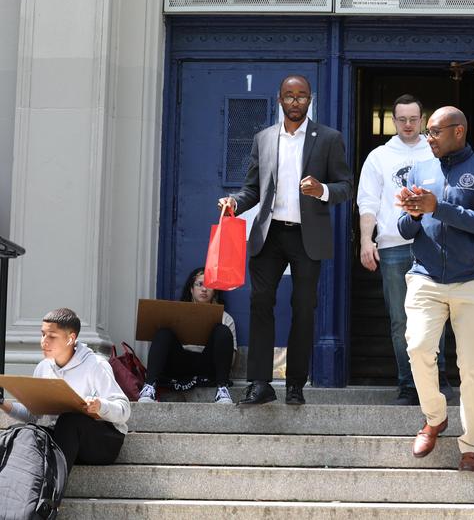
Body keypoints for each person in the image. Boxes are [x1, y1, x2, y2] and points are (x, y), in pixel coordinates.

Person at [219, 74, 352, 406]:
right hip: (270, 234)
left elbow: (346, 186)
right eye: (289, 96)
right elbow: (253, 188)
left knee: (303, 308)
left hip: (307, 236)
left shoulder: (329, 138)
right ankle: (260, 383)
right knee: (260, 302)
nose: (295, 101)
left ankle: (295, 384)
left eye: (301, 96)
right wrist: (235, 203)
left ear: (310, 99)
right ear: (279, 99)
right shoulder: (263, 138)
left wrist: (321, 190)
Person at [397, 105, 474, 472]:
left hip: (472, 279)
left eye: (435, 131)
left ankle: (471, 446)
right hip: (425, 275)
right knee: (417, 347)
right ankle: (435, 417)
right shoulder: (419, 169)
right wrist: (413, 214)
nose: (428, 138)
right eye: (427, 131)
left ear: (459, 131)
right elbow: (405, 228)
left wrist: (436, 207)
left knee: (472, 367)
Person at [357, 94, 453, 405]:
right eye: (402, 119)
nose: (408, 124)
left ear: (422, 120)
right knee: (401, 320)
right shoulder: (379, 157)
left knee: (436, 316)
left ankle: (436, 380)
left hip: (432, 244)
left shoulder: (437, 152)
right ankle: (409, 385)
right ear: (394, 120)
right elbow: (368, 202)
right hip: (393, 247)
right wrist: (366, 240)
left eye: (413, 119)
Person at [0, 308, 130, 473]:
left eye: (52, 336)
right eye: (43, 334)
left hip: (103, 442)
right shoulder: (43, 367)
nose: (44, 341)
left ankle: (53, 484)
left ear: (71, 338)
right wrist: (2, 403)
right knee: (23, 433)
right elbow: (33, 415)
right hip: (64, 439)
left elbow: (124, 410)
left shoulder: (96, 365)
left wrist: (100, 406)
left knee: (69, 421)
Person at [137, 267, 237, 404]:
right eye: (199, 284)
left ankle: (222, 389)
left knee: (223, 331)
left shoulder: (226, 318)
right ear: (191, 289)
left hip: (208, 365)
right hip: (180, 363)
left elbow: (231, 359)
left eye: (209, 285)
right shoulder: (177, 314)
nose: (204, 289)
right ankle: (149, 387)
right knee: (163, 332)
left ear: (215, 291)